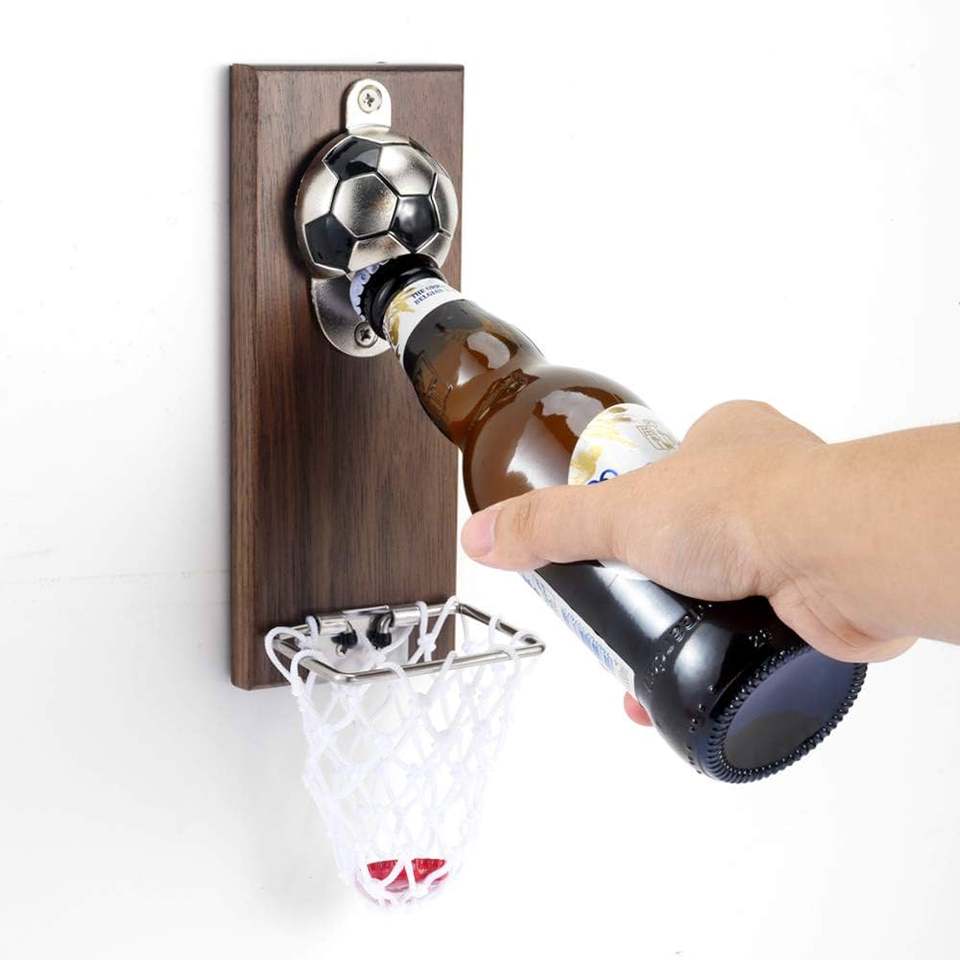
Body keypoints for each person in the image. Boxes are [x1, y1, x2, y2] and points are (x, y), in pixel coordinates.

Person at [460, 400, 960, 726]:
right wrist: (788, 504)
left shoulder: (551, 404)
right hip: (735, 658)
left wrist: (770, 507)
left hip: (717, 665)